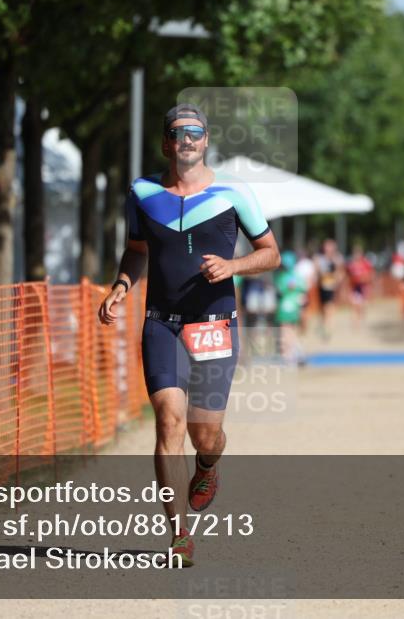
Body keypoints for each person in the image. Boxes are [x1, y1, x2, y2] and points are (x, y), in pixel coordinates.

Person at [98, 104, 280, 566]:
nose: (187, 139)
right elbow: (136, 251)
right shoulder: (141, 193)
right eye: (178, 132)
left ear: (206, 140)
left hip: (213, 325)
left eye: (195, 132)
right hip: (161, 322)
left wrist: (234, 265)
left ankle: (209, 465)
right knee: (167, 422)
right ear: (166, 142)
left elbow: (271, 253)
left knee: (205, 434)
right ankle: (178, 534)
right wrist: (121, 286)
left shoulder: (233, 193)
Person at [274, 250, 307, 364]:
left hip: (285, 307)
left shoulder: (282, 277)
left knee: (284, 331)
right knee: (291, 330)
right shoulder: (297, 276)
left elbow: (280, 291)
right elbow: (304, 290)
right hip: (295, 307)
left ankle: (287, 355)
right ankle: (297, 352)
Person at [314, 238, 345, 339]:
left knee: (329, 307)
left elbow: (341, 272)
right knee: (323, 308)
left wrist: (337, 280)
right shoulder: (319, 258)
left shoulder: (337, 258)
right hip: (322, 286)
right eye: (327, 246)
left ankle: (328, 328)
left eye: (330, 246)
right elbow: (317, 271)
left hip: (331, 287)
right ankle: (324, 323)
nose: (328, 248)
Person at [346, 242, 375, 325]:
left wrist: (364, 279)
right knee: (354, 305)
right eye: (355, 253)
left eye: (358, 253)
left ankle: (361, 318)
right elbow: (348, 275)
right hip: (354, 288)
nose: (356, 255)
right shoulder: (351, 264)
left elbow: (371, 275)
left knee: (362, 306)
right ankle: (356, 322)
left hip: (363, 288)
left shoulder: (365, 263)